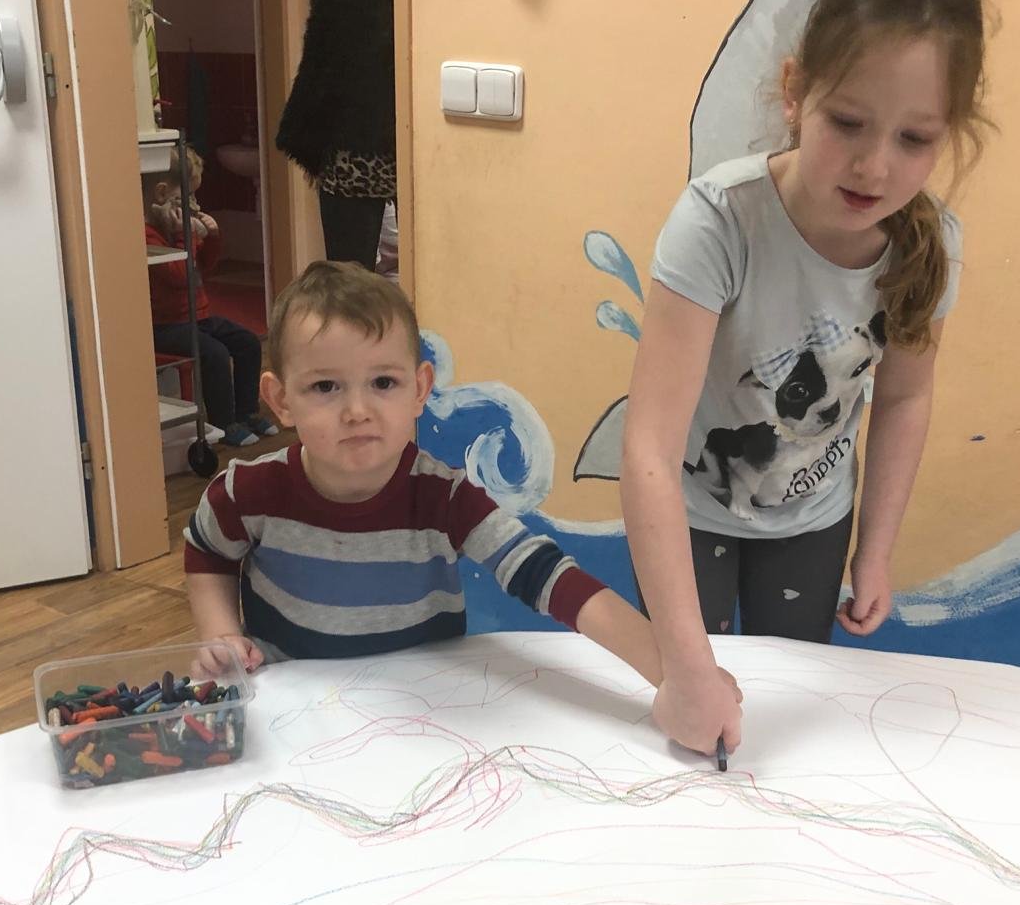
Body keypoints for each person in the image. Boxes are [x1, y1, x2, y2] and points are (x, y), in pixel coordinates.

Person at [620, 0, 991, 905]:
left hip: (809, 524)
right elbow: (648, 446)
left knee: (781, 747)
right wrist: (686, 666)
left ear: (949, 135)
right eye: (847, 123)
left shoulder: (928, 243)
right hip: (690, 519)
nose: (875, 164)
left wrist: (876, 551)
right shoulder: (718, 220)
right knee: (689, 731)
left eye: (915, 138)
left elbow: (906, 400)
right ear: (794, 92)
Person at [183, 262, 718, 713]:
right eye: (325, 386)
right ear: (280, 400)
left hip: (426, 710)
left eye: (383, 382)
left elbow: (548, 576)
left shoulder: (445, 497)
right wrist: (222, 633)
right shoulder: (245, 492)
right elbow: (206, 552)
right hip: (296, 711)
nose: (357, 410)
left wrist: (674, 677)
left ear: (420, 388)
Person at [146, 147, 278, 447]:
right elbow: (179, 276)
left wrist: (212, 237)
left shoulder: (177, 230)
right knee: (214, 354)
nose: (193, 204)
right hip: (165, 326)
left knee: (247, 342)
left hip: (197, 317)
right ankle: (224, 422)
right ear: (162, 194)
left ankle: (247, 412)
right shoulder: (149, 235)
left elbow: (203, 268)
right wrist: (186, 236)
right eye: (186, 196)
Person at [274, 0, 397, 270]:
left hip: (354, 127)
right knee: (352, 276)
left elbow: (324, 44)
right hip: (361, 127)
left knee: (349, 276)